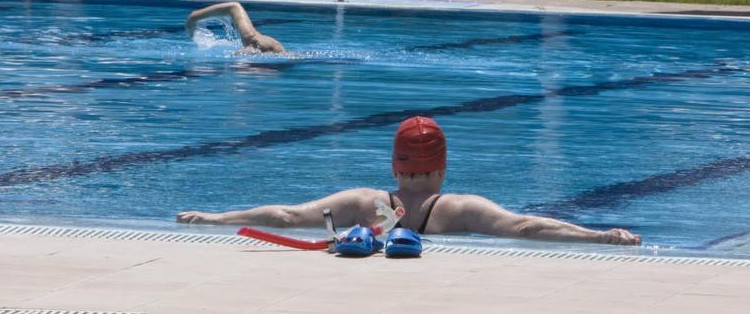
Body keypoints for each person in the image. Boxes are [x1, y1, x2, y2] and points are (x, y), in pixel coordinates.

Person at [177, 116, 642, 246]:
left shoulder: (365, 202)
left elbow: (286, 216)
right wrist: (598, 235)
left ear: (394, 166)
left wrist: (217, 216)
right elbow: (525, 228)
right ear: (443, 166)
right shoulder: (459, 209)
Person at [185, 2, 285, 54]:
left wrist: (193, 18)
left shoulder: (254, 40)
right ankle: (193, 17)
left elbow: (234, 7)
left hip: (261, 44)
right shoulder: (255, 40)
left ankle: (193, 17)